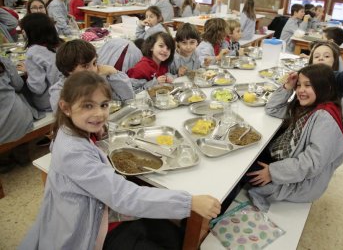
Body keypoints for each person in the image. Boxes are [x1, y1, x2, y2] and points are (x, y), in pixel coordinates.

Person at [20, 71, 221, 249]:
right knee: (175, 237)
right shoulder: (73, 152)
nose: (99, 113)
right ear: (65, 107)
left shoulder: (75, 129)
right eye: (88, 106)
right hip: (94, 229)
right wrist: (189, 202)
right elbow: (123, 196)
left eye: (104, 105)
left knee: (174, 238)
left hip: (107, 212)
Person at [247, 64, 343, 210]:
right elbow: (272, 109)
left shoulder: (325, 118)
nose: (301, 90)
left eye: (308, 85)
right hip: (285, 162)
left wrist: (273, 172)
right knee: (247, 152)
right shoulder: (306, 107)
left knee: (241, 171)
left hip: (297, 183)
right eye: (299, 85)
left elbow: (312, 163)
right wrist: (288, 86)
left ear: (325, 87)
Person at [49, 39, 134, 113]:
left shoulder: (101, 79)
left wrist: (114, 73)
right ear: (69, 70)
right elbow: (66, 121)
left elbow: (128, 98)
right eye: (85, 66)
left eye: (94, 63)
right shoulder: (59, 91)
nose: (93, 69)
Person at [0, 57, 43, 172]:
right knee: (19, 101)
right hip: (20, 119)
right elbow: (18, 85)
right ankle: (22, 154)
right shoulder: (4, 61)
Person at [20, 13, 62, 112]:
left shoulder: (34, 51)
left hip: (49, 102)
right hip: (66, 95)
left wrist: (28, 72)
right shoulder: (60, 44)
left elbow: (37, 88)